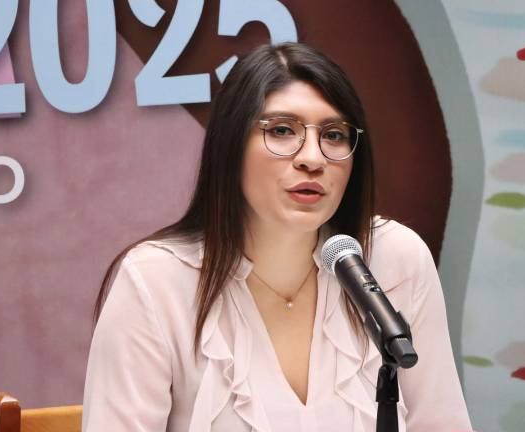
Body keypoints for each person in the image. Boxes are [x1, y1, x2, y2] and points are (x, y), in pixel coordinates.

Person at [82, 42, 472, 431]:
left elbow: (441, 424)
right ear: (231, 146)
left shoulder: (396, 258)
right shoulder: (155, 281)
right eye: (282, 131)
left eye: (334, 135)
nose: (313, 159)